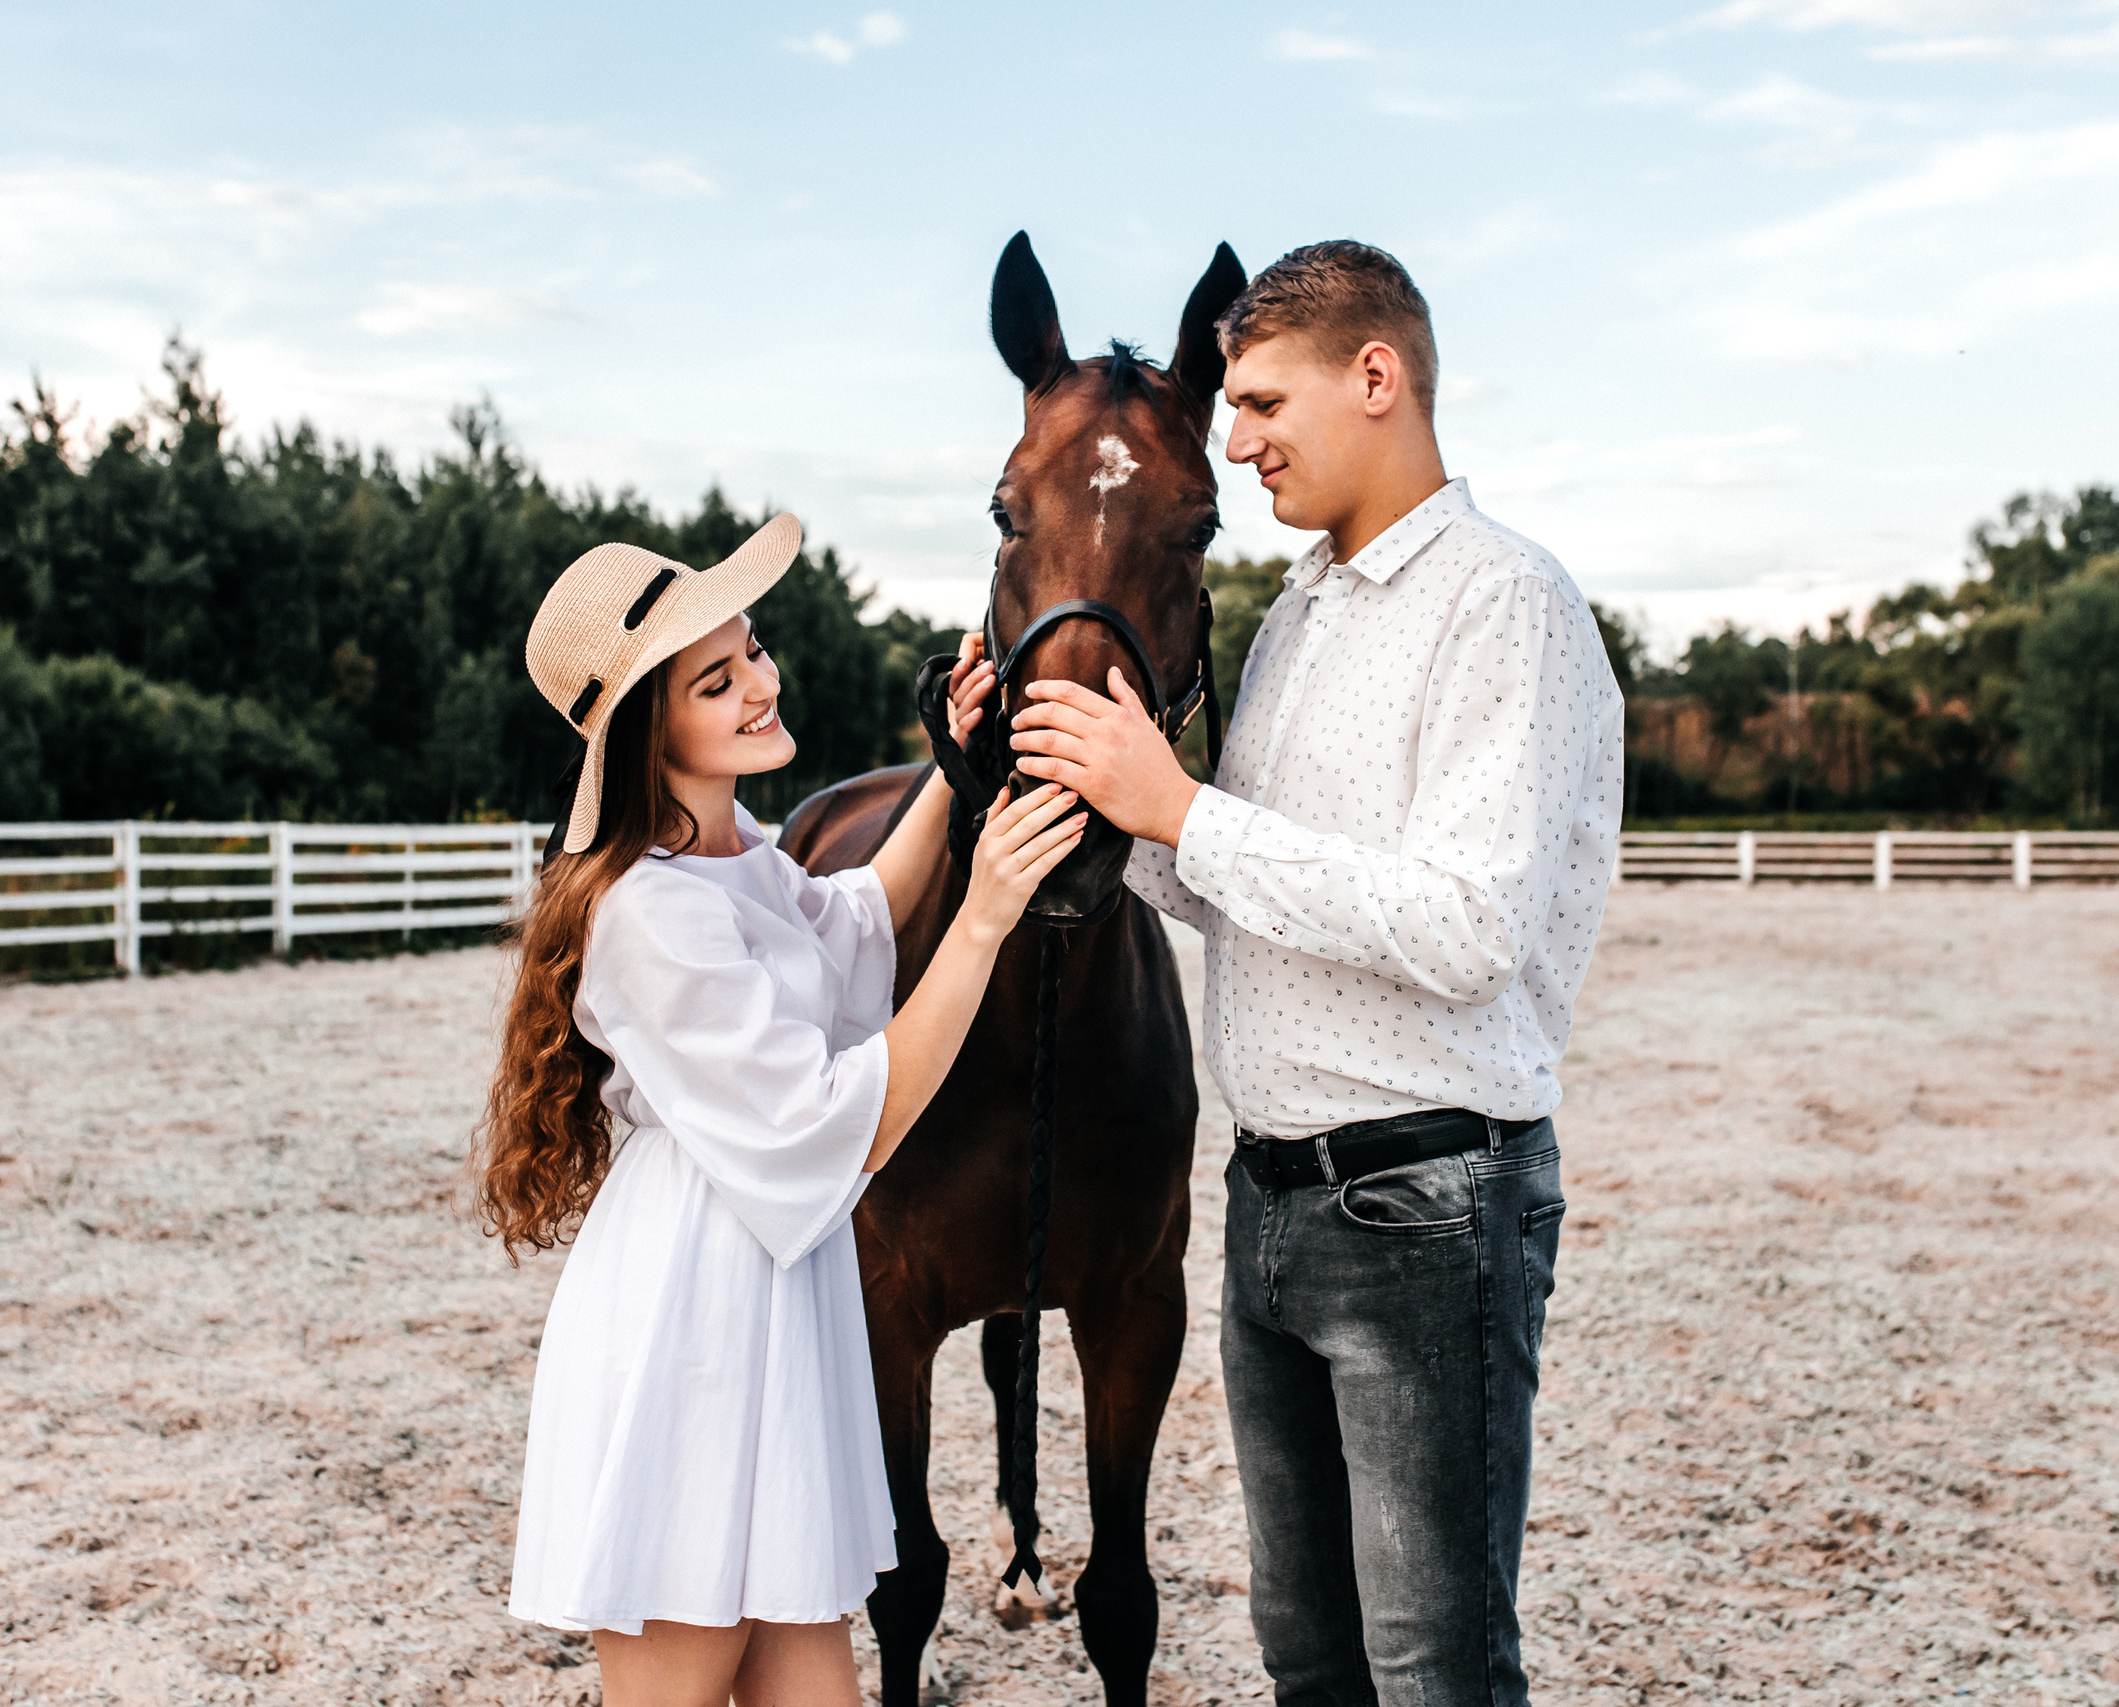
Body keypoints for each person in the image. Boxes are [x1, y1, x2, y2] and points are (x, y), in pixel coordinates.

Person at [1006, 242, 1624, 1705]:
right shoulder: (1300, 612)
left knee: (1434, 1667)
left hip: (1427, 1202)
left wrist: (1184, 809)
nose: (1236, 438)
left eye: (1262, 399)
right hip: (1270, 1197)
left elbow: (1467, 923)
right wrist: (1084, 782)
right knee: (1311, 1658)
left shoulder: (1502, 601)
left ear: (1376, 376)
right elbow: (1229, 879)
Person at [472, 513, 1079, 1707]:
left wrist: (950, 780)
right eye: (717, 678)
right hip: (688, 1318)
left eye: (751, 649)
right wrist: (988, 911)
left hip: (761, 1290)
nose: (760, 682)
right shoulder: (642, 911)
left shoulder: (733, 850)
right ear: (653, 731)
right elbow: (842, 1117)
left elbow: (849, 923)